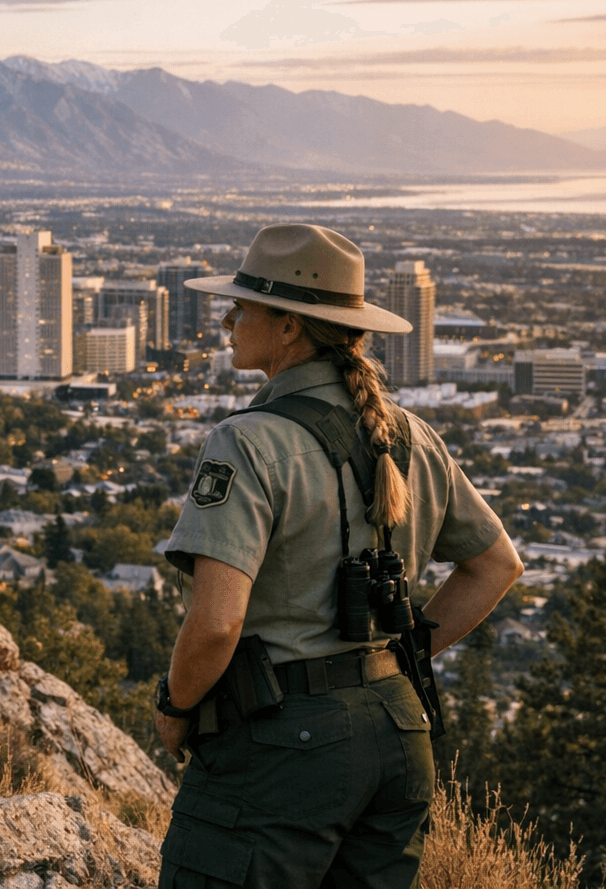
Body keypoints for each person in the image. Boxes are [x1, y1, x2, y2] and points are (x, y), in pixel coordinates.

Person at [154, 224, 523, 889]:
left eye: (245, 306)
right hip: (397, 734)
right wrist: (398, 656)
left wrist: (176, 709)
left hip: (277, 753)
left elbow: (215, 624)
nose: (230, 318)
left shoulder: (249, 443)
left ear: (291, 328)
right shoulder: (410, 435)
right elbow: (497, 566)